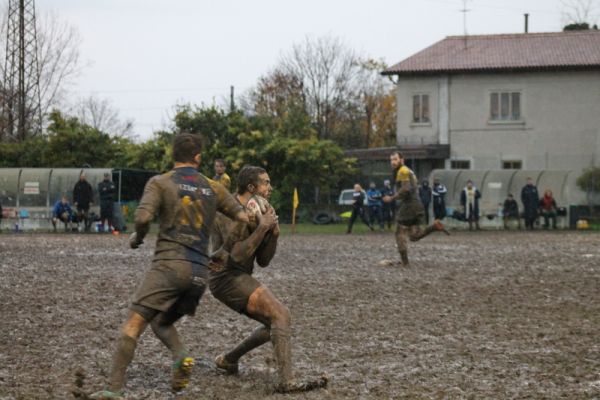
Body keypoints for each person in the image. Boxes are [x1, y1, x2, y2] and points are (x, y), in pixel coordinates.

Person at [91, 134, 248, 400]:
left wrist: (137, 238)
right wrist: (223, 251)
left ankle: (113, 391)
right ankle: (181, 356)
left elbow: (142, 217)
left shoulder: (160, 182)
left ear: (173, 155)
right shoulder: (213, 187)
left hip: (169, 266)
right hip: (199, 273)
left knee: (132, 326)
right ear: (198, 157)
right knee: (161, 322)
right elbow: (243, 217)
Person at [209, 166, 327, 393]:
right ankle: (287, 381)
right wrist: (262, 229)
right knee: (280, 315)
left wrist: (273, 235)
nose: (270, 187)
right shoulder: (228, 212)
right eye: (266, 182)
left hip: (239, 275)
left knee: (275, 322)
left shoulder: (262, 211)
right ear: (251, 187)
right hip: (224, 277)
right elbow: (236, 256)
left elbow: (263, 261)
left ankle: (228, 360)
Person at [382, 152, 446, 266]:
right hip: (417, 205)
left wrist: (392, 198)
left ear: (402, 160)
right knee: (414, 236)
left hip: (410, 205)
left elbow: (406, 189)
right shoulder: (409, 171)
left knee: (399, 232)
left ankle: (405, 263)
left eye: (395, 159)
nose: (393, 162)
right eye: (391, 160)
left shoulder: (403, 170)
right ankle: (434, 227)